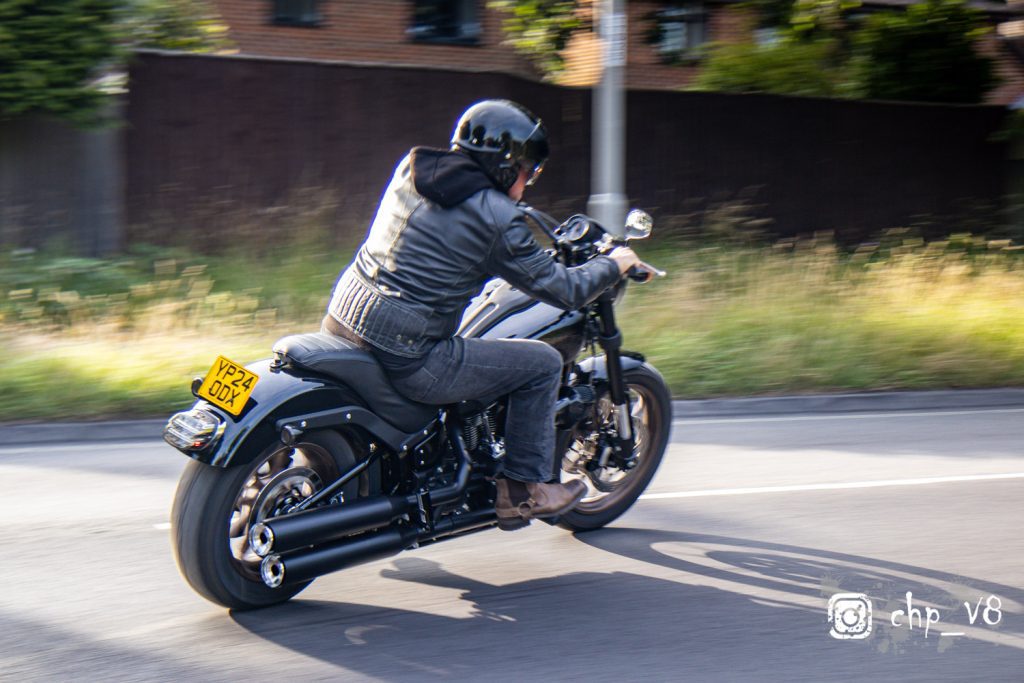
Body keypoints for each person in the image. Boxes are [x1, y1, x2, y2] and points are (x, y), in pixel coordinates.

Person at [322, 99, 641, 530]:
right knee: (543, 363)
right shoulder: (498, 219)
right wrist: (615, 264)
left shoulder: (413, 169)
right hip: (408, 353)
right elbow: (564, 289)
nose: (529, 183)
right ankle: (524, 491)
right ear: (507, 167)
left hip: (344, 318)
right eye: (530, 172)